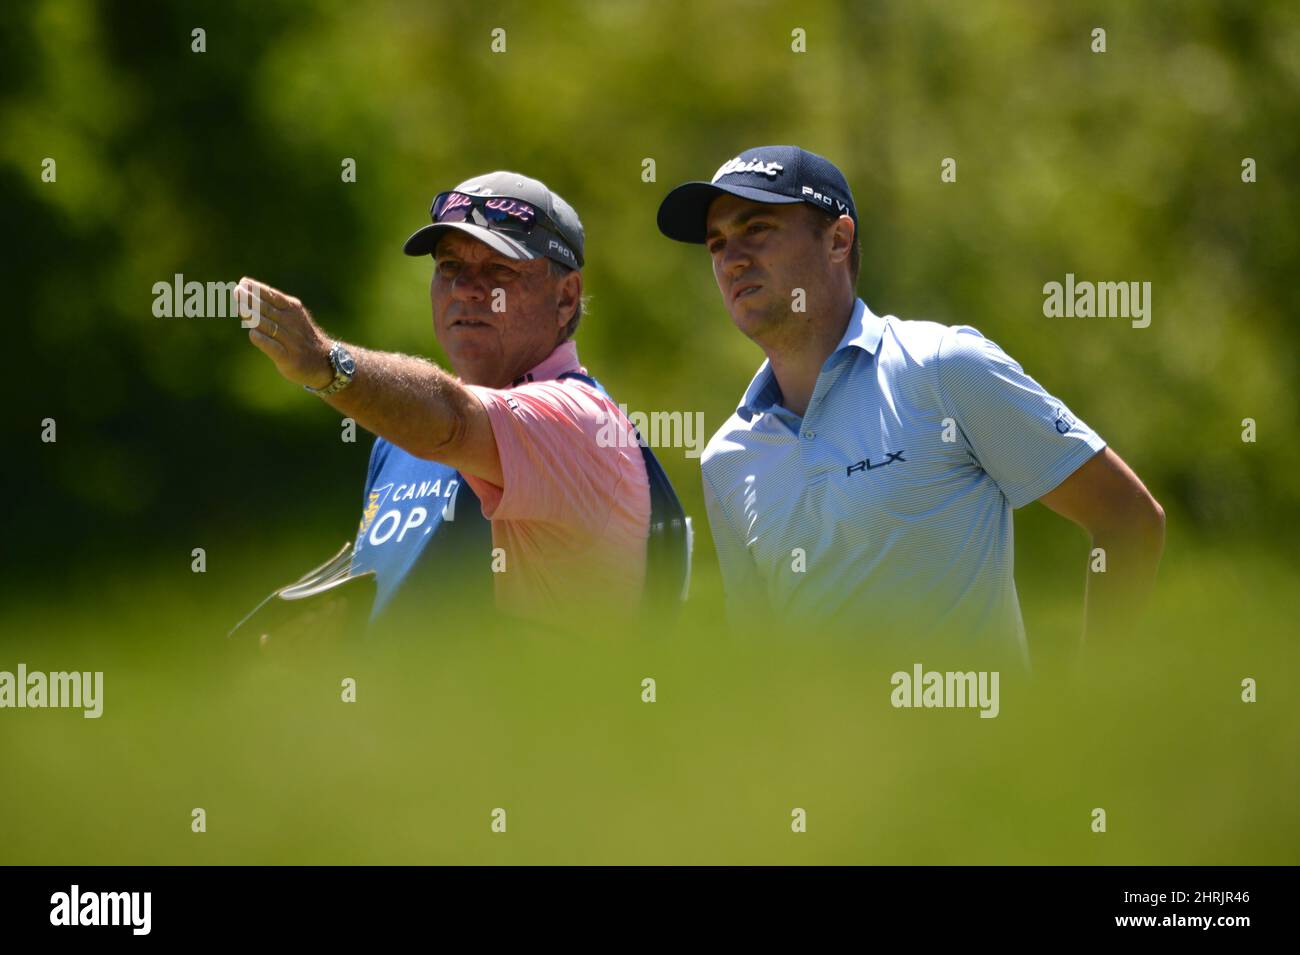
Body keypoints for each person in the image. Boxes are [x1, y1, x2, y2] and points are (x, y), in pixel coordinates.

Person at [657, 145, 1164, 659]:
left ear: (838, 239)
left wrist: (1092, 711)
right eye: (716, 244)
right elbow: (760, 662)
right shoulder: (727, 458)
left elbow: (1128, 518)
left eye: (757, 228)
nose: (732, 259)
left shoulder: (944, 366)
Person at [236, 171, 668, 629]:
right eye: (449, 267)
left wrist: (325, 363)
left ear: (565, 298)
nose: (466, 288)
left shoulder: (581, 422)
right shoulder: (401, 438)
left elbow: (455, 421)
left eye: (500, 269)